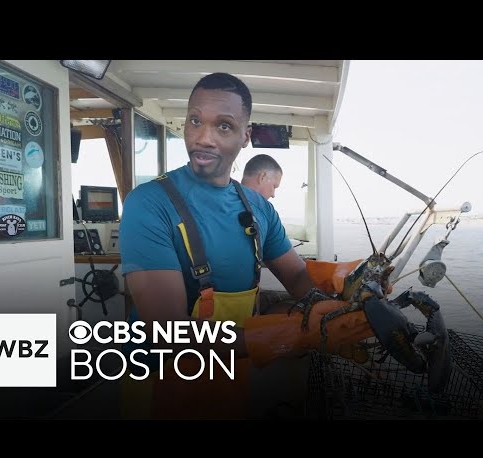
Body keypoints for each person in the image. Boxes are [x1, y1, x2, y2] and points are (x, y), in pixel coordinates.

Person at [119, 72, 377, 419]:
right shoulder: (148, 204)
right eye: (195, 121)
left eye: (223, 126)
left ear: (246, 136)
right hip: (160, 385)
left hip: (230, 372)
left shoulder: (259, 209)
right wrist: (292, 335)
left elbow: (298, 279)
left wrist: (345, 280)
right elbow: (167, 331)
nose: (203, 138)